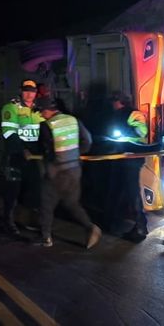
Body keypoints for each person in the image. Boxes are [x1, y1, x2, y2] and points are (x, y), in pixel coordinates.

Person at [32, 97, 102, 248]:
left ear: (46, 111)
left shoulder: (46, 126)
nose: (41, 115)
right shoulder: (73, 120)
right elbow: (88, 141)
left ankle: (45, 238)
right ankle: (91, 227)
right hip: (75, 170)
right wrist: (75, 154)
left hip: (57, 172)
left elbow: (45, 151)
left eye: (41, 112)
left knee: (46, 203)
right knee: (71, 203)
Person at [0, 80, 45, 235]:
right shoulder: (11, 107)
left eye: (32, 91)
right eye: (26, 90)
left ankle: (30, 221)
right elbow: (8, 133)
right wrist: (22, 150)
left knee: (35, 190)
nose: (29, 94)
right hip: (16, 156)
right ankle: (9, 223)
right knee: (12, 191)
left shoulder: (39, 109)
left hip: (34, 158)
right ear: (21, 90)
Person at [108, 91, 149, 242]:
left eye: (114, 100)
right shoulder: (117, 114)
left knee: (132, 192)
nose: (112, 104)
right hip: (120, 157)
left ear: (119, 100)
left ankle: (140, 226)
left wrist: (122, 131)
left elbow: (141, 131)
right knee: (119, 191)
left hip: (132, 157)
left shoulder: (134, 114)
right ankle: (119, 223)